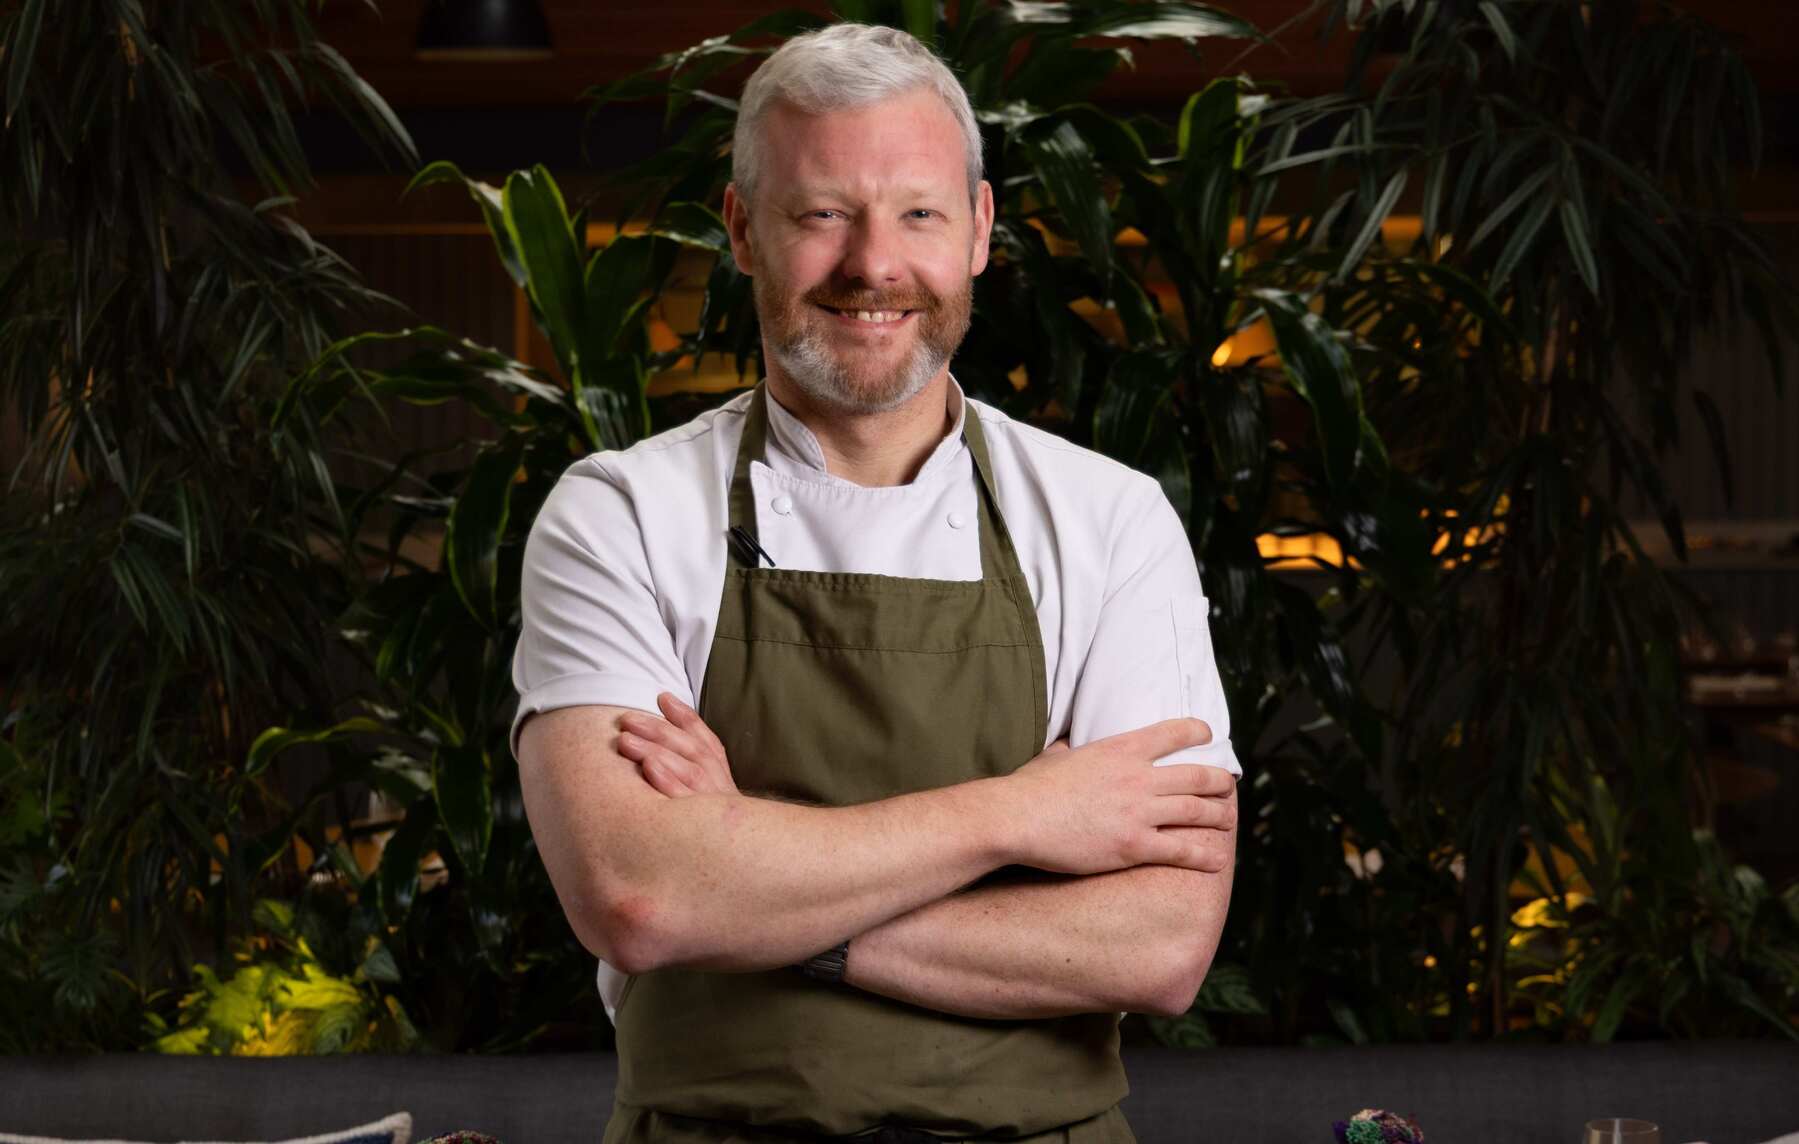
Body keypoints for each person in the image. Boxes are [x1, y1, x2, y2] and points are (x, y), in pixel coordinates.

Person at [512, 22, 1240, 1144]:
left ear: (979, 230)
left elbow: (1159, 944)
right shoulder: (622, 514)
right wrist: (1023, 815)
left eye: (918, 215)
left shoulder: (1109, 519)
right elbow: (640, 896)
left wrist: (747, 873)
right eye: (822, 214)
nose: (873, 265)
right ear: (741, 229)